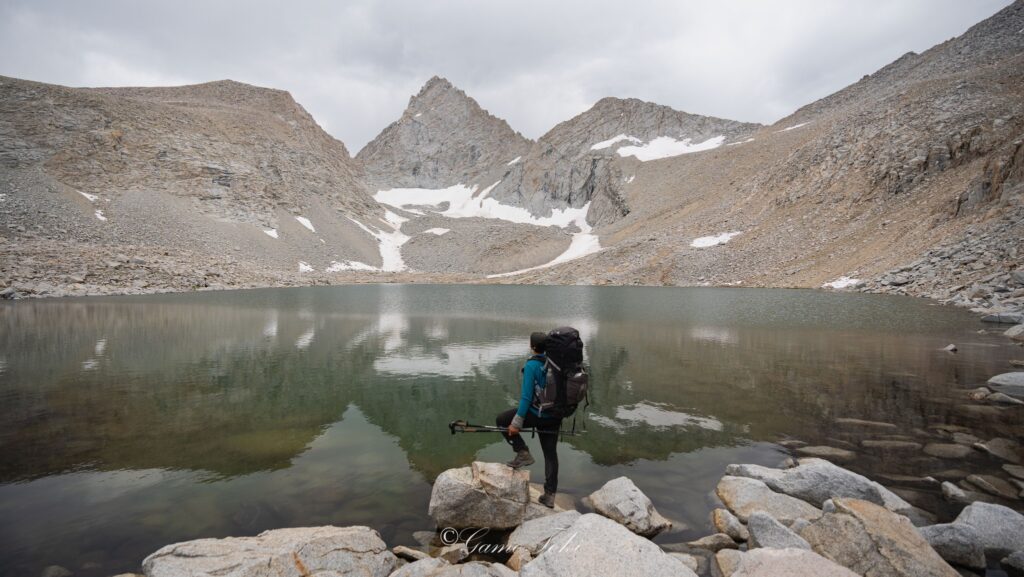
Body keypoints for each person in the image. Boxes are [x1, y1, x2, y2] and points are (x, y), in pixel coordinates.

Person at [495, 331, 563, 508]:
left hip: (537, 414)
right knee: (550, 454)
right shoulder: (556, 363)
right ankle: (549, 495)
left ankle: (523, 452)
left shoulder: (532, 365)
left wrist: (516, 423)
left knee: (502, 420)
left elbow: (526, 398)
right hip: (555, 415)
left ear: (532, 347)